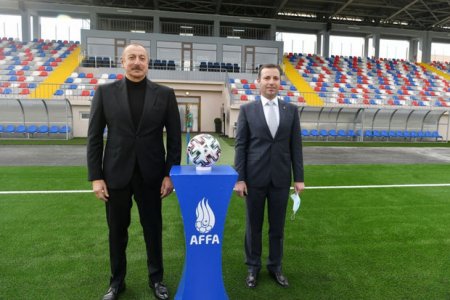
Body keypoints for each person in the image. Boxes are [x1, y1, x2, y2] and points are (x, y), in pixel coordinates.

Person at [87, 43, 181, 300]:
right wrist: (96, 177)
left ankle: (157, 279)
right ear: (122, 61)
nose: (137, 62)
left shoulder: (164, 94)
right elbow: (94, 137)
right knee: (117, 231)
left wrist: (169, 174)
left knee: (153, 229)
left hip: (151, 175)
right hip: (115, 174)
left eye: (141, 58)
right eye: (132, 58)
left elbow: (174, 139)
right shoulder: (105, 93)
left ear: (148, 62)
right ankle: (117, 282)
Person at [234, 64, 305, 288]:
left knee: (277, 227)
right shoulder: (247, 110)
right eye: (267, 78)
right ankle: (253, 267)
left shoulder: (291, 110)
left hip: (281, 179)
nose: (271, 82)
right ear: (258, 82)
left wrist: (299, 177)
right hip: (254, 179)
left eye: (275, 78)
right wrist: (239, 178)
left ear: (280, 82)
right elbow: (241, 146)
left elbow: (296, 146)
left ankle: (275, 266)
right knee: (253, 227)